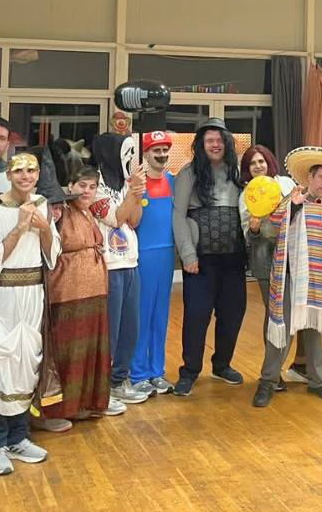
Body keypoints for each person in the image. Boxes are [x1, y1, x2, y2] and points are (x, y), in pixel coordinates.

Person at [252, 147, 322, 407]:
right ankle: (267, 381)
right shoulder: (293, 200)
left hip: (318, 280)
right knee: (282, 331)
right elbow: (275, 223)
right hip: (290, 279)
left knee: (314, 329)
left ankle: (318, 380)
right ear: (310, 178)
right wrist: (293, 205)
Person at [0, 152, 61, 476]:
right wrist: (20, 226)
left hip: (32, 293)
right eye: (19, 171)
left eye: (31, 171)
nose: (26, 176)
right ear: (8, 175)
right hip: (1, 295)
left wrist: (44, 228)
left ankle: (18, 438)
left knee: (26, 363)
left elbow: (52, 255)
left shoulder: (42, 204)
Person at [39, 166, 126, 428]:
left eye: (92, 186)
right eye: (81, 186)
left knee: (90, 349)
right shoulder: (60, 211)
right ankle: (56, 410)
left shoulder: (89, 213)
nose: (86, 191)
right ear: (70, 187)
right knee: (68, 351)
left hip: (94, 293)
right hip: (68, 293)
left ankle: (84, 404)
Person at [172, 118, 247, 396]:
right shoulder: (188, 173)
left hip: (234, 258)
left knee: (232, 314)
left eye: (219, 140)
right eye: (209, 140)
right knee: (196, 316)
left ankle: (222, 365)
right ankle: (189, 371)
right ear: (201, 145)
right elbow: (178, 215)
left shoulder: (237, 173)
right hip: (200, 260)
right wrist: (187, 255)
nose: (215, 145)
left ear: (226, 143)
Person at [89, 133, 151, 405]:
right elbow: (115, 218)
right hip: (108, 266)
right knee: (109, 331)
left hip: (130, 263)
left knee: (129, 328)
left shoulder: (124, 183)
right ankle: (101, 387)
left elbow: (134, 220)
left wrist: (135, 194)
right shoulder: (95, 185)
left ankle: (118, 381)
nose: (129, 160)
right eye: (125, 154)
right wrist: (132, 193)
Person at [237, 145, 297, 392]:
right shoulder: (246, 195)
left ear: (269, 161)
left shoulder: (286, 183)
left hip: (292, 252)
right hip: (264, 255)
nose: (258, 166)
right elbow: (247, 234)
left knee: (294, 313)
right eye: (252, 163)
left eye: (261, 161)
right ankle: (274, 372)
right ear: (247, 169)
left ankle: (288, 366)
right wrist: (253, 229)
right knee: (275, 313)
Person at [130, 131, 176, 396]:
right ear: (145, 154)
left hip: (167, 255)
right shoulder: (135, 183)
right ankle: (137, 373)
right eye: (156, 150)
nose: (161, 155)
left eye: (164, 150)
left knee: (161, 315)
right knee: (142, 313)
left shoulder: (172, 181)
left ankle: (157, 371)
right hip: (143, 255)